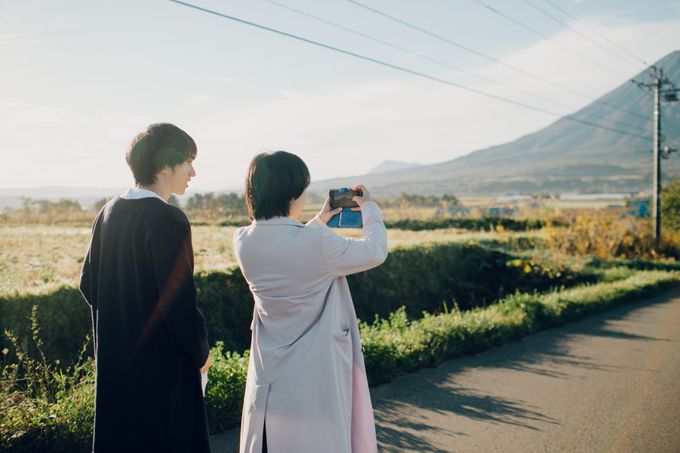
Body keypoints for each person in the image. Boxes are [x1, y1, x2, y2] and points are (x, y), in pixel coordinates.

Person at [234, 151, 388, 453]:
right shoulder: (317, 244)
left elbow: (291, 246)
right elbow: (375, 250)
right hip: (314, 374)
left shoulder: (243, 240)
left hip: (270, 373)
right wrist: (369, 208)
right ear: (293, 192)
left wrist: (322, 217)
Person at [79, 123, 212, 453]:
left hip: (116, 366)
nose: (193, 171)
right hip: (162, 374)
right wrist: (201, 354)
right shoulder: (168, 219)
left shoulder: (108, 212)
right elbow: (178, 305)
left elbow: (87, 284)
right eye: (187, 162)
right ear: (165, 166)